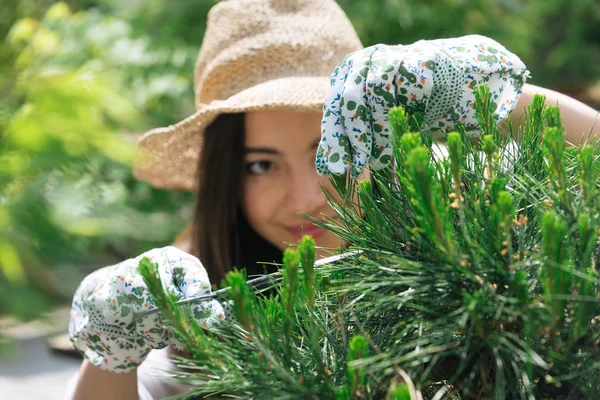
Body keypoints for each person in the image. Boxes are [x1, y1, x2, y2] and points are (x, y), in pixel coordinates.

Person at [65, 1, 600, 399]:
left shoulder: (467, 218)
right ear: (227, 179)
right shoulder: (196, 322)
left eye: (331, 148)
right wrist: (109, 358)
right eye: (261, 164)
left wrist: (493, 95)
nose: (306, 198)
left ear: (380, 138)